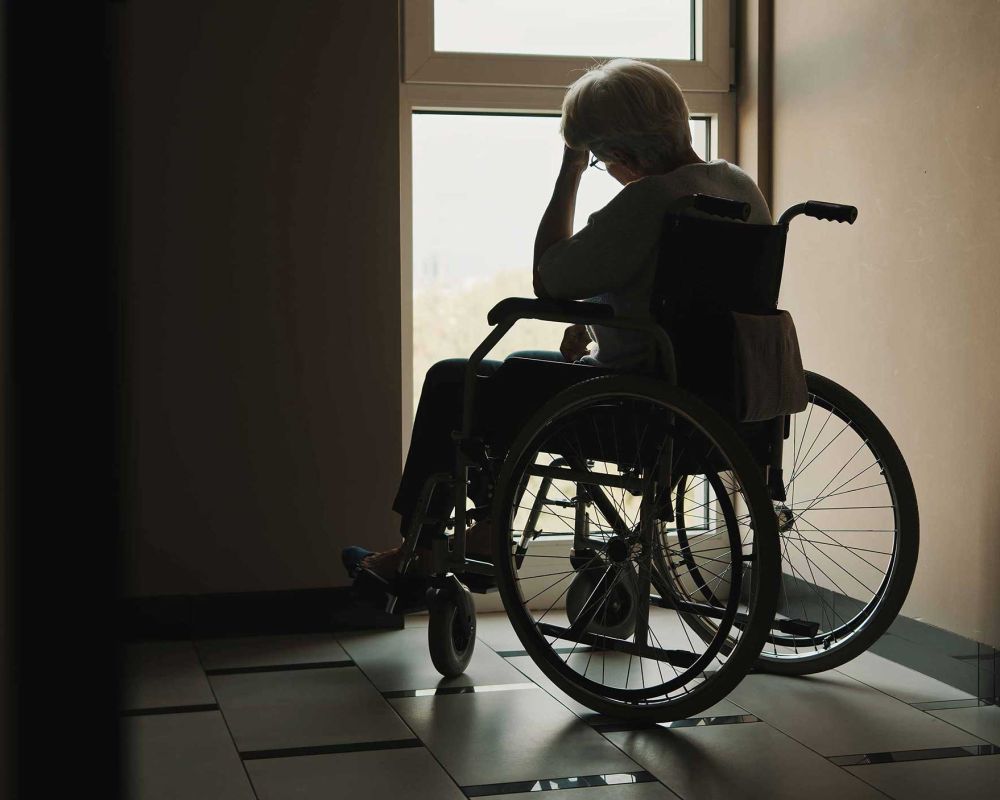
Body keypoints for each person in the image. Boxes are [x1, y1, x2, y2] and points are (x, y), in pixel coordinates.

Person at [343, 57, 770, 584]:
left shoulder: (648, 201)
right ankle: (478, 530)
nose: (602, 168)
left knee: (460, 379)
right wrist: (605, 322)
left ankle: (424, 547)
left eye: (597, 159)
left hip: (631, 408)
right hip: (714, 398)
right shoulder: (738, 187)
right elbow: (683, 299)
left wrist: (568, 171)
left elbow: (549, 278)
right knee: (518, 373)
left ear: (616, 150)